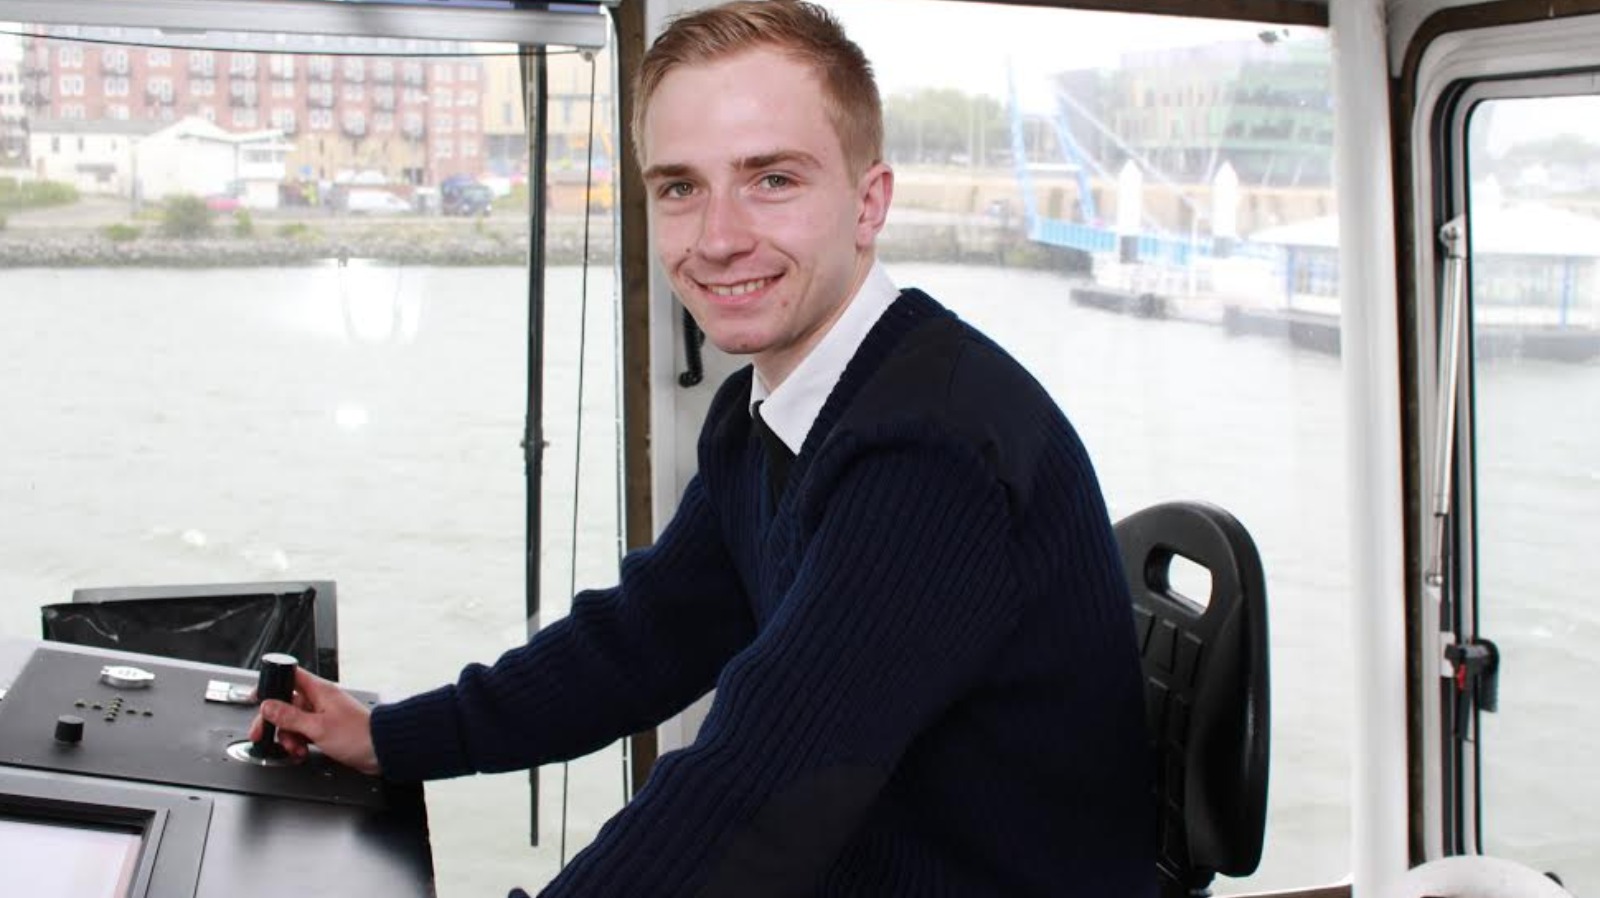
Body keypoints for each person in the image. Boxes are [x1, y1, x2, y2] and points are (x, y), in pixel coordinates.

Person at [252, 2, 1155, 895]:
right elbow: (640, 642)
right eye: (681, 188)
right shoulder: (761, 414)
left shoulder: (932, 456)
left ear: (868, 203)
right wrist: (391, 736)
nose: (718, 239)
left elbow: (754, 791)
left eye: (773, 179)